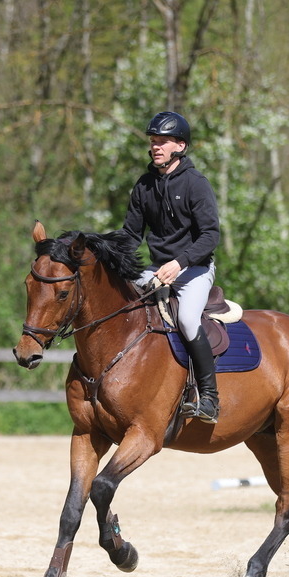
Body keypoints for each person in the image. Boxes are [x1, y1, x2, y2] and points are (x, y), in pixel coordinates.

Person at [122, 111, 221, 424]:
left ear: (180, 145)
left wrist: (179, 263)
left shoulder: (196, 184)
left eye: (162, 142)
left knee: (188, 319)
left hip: (194, 270)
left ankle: (209, 398)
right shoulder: (144, 186)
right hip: (155, 271)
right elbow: (130, 236)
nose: (156, 147)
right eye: (153, 142)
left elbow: (211, 236)